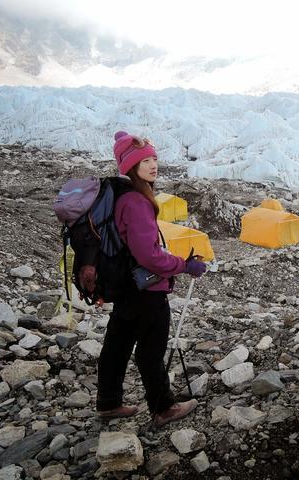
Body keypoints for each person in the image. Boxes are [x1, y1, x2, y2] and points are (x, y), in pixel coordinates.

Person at [96, 130, 207, 428]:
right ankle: (163, 407)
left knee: (117, 343)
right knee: (151, 349)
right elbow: (148, 255)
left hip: (125, 285)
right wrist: (184, 265)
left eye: (154, 158)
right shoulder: (136, 201)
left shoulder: (121, 194)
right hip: (146, 288)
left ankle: (108, 402)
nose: (153, 164)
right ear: (130, 165)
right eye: (145, 160)